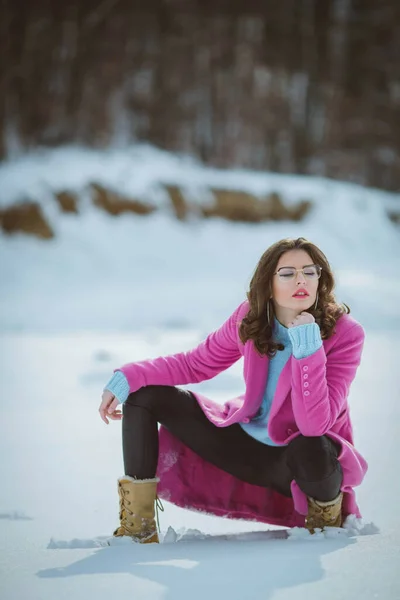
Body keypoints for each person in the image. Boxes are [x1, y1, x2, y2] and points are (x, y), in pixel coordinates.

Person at [99, 237, 367, 543]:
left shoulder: (345, 333)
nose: (301, 280)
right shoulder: (250, 318)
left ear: (321, 279)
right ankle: (138, 530)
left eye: (309, 271)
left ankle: (323, 527)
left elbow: (313, 424)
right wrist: (128, 377)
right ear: (268, 283)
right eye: (288, 273)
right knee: (144, 395)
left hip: (302, 464)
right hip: (245, 449)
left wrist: (307, 346)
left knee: (311, 445)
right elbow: (195, 364)